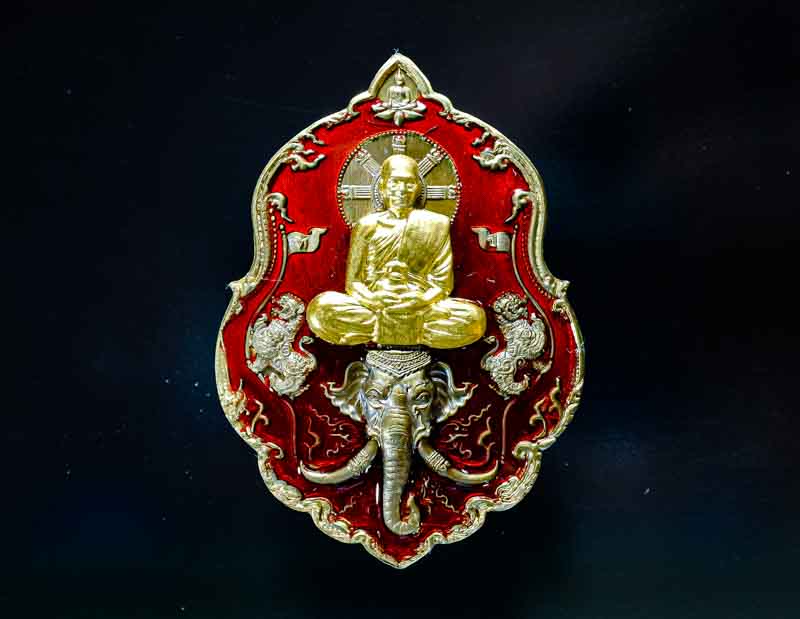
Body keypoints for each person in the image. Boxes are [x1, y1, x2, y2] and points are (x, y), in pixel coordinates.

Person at [307, 154, 485, 348]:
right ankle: (411, 332)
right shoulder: (366, 225)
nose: (401, 189)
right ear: (383, 186)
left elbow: (442, 285)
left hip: (419, 307)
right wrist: (374, 300)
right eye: (395, 182)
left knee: (474, 320)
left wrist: (420, 300)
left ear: (418, 187)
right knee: (320, 310)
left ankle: (386, 331)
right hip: (376, 306)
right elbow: (354, 283)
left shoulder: (436, 224)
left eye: (409, 183)